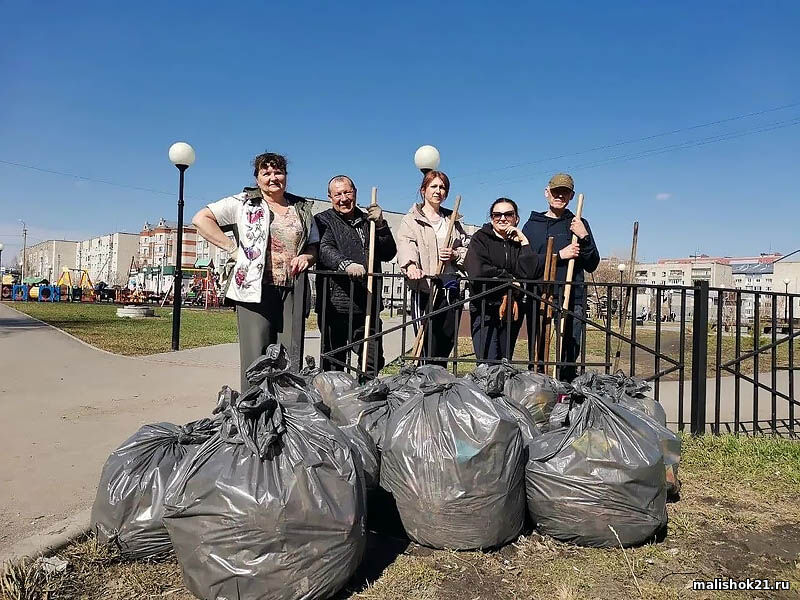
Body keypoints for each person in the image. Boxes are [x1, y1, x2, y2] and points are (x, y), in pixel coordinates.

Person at [192, 152, 318, 392]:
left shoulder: (300, 208)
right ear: (257, 177)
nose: (273, 178)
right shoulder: (244, 202)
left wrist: (307, 257)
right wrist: (232, 249)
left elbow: (313, 245)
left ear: (286, 176)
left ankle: (287, 409)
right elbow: (201, 218)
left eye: (278, 172)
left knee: (289, 356)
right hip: (253, 290)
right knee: (256, 356)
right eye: (266, 173)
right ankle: (254, 408)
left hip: (293, 289)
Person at [315, 175, 397, 377]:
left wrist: (381, 225)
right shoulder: (323, 220)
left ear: (355, 193)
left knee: (372, 360)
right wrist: (346, 264)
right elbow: (324, 248)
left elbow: (389, 253)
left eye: (347, 192)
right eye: (338, 194)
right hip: (335, 305)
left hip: (367, 301)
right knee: (334, 362)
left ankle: (366, 393)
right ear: (330, 197)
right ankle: (337, 395)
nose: (343, 198)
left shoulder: (368, 221)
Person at [522, 173, 599, 381]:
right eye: (556, 191)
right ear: (547, 193)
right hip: (540, 295)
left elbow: (592, 263)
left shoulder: (578, 223)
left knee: (569, 350)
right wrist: (560, 255)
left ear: (571, 196)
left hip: (571, 296)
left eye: (565, 192)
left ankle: (566, 389)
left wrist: (584, 236)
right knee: (538, 348)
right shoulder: (532, 226)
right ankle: (538, 387)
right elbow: (526, 263)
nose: (560, 196)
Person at [396, 170, 469, 366]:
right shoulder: (411, 219)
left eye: (442, 187)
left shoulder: (453, 221)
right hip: (425, 287)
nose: (438, 191)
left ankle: (440, 376)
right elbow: (406, 244)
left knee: (446, 340)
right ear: (423, 190)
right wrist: (411, 265)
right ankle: (424, 378)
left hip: (450, 288)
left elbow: (466, 249)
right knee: (426, 341)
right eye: (433, 186)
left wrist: (455, 254)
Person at [464, 198, 548, 363]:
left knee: (505, 360)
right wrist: (509, 279)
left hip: (510, 307)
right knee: (487, 361)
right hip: (485, 307)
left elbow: (530, 272)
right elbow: (478, 270)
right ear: (491, 218)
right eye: (497, 215)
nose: (502, 218)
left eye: (508, 214)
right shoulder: (480, 238)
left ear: (516, 218)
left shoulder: (517, 243)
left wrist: (524, 242)